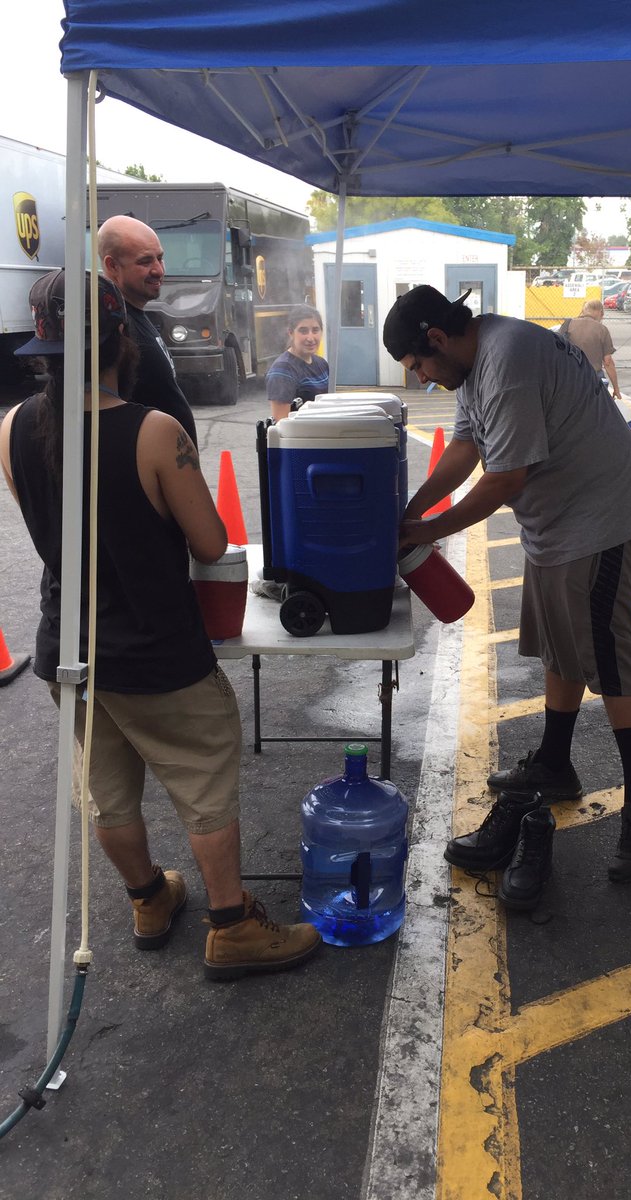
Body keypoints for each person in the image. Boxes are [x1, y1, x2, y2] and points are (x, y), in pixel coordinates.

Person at [0, 269, 321, 980]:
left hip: (68, 649)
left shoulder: (12, 425)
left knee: (108, 789)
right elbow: (209, 544)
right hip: (155, 649)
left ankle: (149, 898)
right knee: (203, 783)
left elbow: (47, 527)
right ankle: (233, 926)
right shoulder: (153, 431)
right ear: (124, 339)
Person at [383, 285, 631, 906]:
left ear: (436, 338)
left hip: (595, 519)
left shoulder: (508, 354)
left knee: (608, 657)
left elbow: (506, 475)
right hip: (555, 524)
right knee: (556, 646)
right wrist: (412, 510)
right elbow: (466, 447)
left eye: (419, 367)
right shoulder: (473, 365)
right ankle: (554, 761)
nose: (425, 380)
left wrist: (430, 531)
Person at [98, 214, 198, 448]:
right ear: (112, 266)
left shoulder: (137, 316)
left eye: (160, 258)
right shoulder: (116, 329)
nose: (159, 270)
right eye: (145, 262)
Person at [266, 304, 330, 422]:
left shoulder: (322, 364)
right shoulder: (282, 370)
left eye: (315, 330)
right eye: (303, 331)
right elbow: (282, 423)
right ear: (291, 333)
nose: (310, 338)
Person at [559, 299, 621, 399]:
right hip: (593, 378)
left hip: (569, 378)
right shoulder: (602, 329)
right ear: (600, 312)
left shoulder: (567, 325)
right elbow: (607, 362)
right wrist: (616, 389)